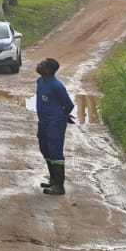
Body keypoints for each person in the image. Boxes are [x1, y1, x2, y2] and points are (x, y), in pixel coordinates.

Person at [34, 57, 75, 195]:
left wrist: (63, 116)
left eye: (42, 64)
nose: (38, 65)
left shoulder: (56, 85)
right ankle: (52, 179)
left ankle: (59, 185)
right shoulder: (40, 81)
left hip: (55, 123)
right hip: (43, 122)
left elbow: (69, 104)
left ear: (48, 70)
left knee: (55, 152)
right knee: (44, 149)